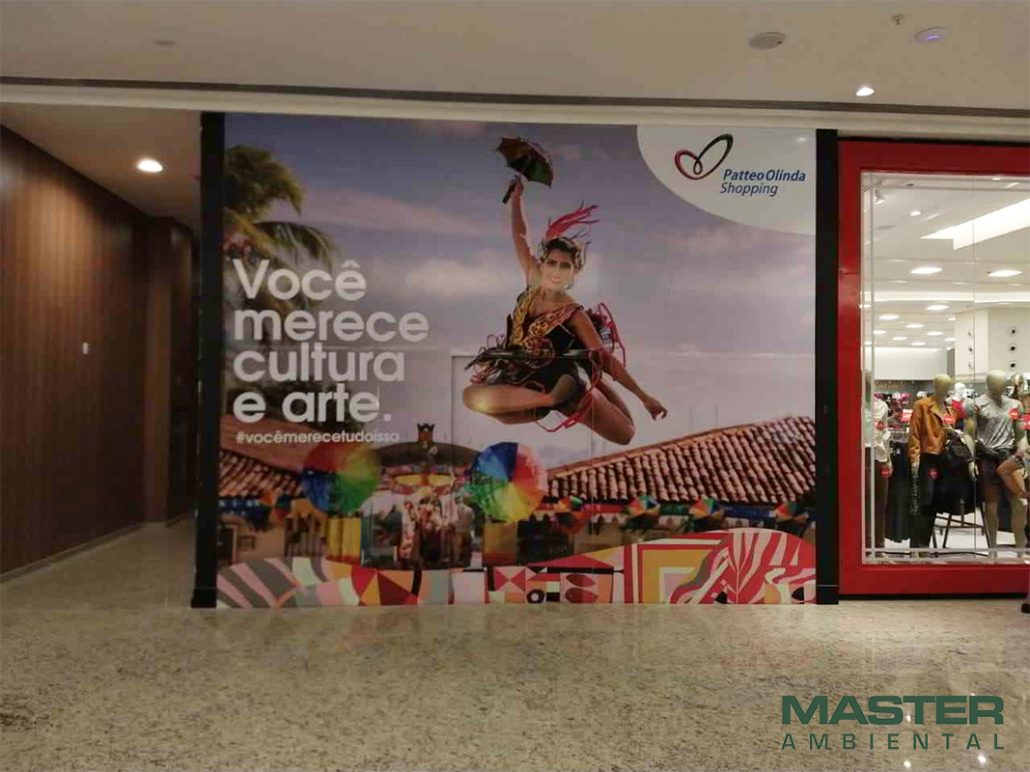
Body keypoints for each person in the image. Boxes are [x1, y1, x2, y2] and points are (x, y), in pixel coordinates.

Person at [463, 176, 667, 445]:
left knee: (626, 434)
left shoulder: (573, 313)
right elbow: (520, 236)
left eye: (565, 266)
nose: (556, 271)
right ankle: (546, 400)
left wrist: (644, 397)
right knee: (471, 397)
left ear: (574, 272)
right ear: (542, 264)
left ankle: (583, 387)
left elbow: (605, 359)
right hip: (525, 383)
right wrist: (517, 198)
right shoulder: (533, 282)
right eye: (552, 263)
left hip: (563, 381)